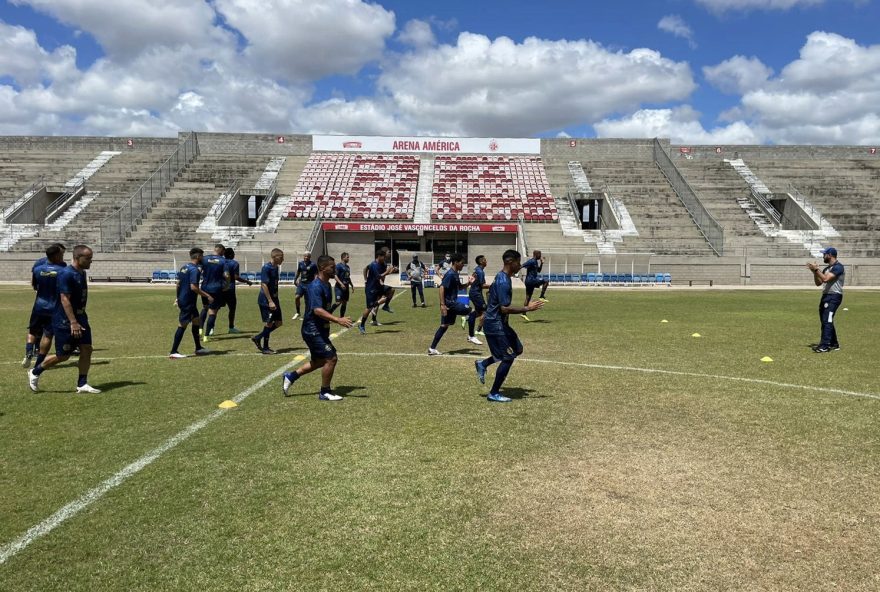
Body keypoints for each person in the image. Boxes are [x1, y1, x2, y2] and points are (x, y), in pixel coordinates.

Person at [27, 245, 101, 394]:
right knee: (63, 355)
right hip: (65, 320)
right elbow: (64, 299)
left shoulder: (82, 273)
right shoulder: (66, 274)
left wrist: (80, 318)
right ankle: (35, 372)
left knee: (87, 348)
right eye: (88, 258)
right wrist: (73, 322)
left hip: (81, 317)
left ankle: (82, 383)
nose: (91, 261)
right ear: (77, 257)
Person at [474, 249, 545, 402]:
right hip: (495, 325)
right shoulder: (503, 280)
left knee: (518, 349)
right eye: (518, 262)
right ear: (510, 262)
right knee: (508, 357)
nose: (520, 265)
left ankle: (483, 363)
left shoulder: (502, 277)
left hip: (501, 324)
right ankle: (493, 393)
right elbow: (504, 308)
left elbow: (491, 294)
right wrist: (527, 308)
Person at [282, 255, 354, 401]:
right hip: (312, 330)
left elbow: (323, 308)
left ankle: (291, 376)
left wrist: (333, 308)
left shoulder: (327, 285)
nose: (335, 270)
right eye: (332, 267)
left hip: (320, 329)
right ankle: (325, 392)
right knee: (331, 358)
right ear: (322, 268)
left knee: (320, 361)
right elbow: (317, 310)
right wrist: (337, 319)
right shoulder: (315, 286)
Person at [23, 244, 66, 369]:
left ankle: (29, 352)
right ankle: (39, 363)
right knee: (47, 335)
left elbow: (34, 285)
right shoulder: (62, 269)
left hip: (39, 305)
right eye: (62, 254)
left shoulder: (38, 269)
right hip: (54, 307)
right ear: (57, 255)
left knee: (32, 331)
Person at [169, 248, 212, 358]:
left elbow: (178, 284)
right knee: (182, 325)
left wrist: (178, 298)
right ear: (198, 257)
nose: (203, 258)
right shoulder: (194, 270)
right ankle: (173, 351)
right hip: (188, 301)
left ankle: (198, 348)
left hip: (186, 301)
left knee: (196, 322)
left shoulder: (184, 268)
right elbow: (194, 287)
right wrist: (207, 296)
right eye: (202, 256)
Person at [427, 253, 473, 355]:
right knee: (472, 311)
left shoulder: (455, 273)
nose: (463, 265)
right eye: (462, 263)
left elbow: (460, 287)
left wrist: (469, 283)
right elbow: (442, 287)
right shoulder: (450, 274)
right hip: (449, 304)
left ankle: (432, 348)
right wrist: (442, 305)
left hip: (451, 303)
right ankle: (471, 336)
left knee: (444, 325)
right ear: (456, 262)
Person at [807, 247, 845, 353]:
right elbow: (819, 283)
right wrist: (814, 272)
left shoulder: (838, 267)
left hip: (834, 297)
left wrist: (816, 269)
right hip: (826, 296)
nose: (823, 256)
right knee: (826, 320)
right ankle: (834, 343)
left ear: (830, 255)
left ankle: (825, 345)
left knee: (827, 320)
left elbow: (825, 279)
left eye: (824, 254)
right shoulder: (826, 269)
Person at [357, 248, 397, 334]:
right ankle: (362, 325)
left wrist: (391, 271)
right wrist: (365, 279)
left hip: (379, 286)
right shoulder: (373, 265)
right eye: (383, 256)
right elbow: (378, 276)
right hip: (371, 288)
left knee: (392, 290)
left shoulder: (383, 264)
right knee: (369, 307)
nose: (385, 258)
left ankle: (386, 306)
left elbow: (382, 277)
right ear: (379, 256)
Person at [252, 248, 284, 354]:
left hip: (275, 298)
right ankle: (265, 347)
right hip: (266, 300)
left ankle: (258, 337)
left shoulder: (275, 268)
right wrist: (270, 301)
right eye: (281, 257)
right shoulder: (266, 268)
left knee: (279, 323)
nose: (283, 259)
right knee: (269, 323)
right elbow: (264, 284)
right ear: (275, 257)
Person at [199, 244, 227, 341]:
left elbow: (198, 271)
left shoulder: (205, 259)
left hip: (204, 287)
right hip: (216, 289)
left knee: (205, 308)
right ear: (222, 251)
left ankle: (200, 330)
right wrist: (226, 286)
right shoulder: (223, 261)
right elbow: (227, 275)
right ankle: (206, 336)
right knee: (212, 312)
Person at [223, 247, 252, 334]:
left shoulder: (221, 262)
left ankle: (210, 329)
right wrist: (247, 281)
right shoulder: (234, 263)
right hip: (230, 288)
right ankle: (231, 327)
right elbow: (236, 277)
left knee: (214, 309)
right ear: (231, 255)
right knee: (232, 308)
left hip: (219, 288)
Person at [461, 254, 489, 344]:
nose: (486, 261)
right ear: (481, 262)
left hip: (474, 293)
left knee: (479, 312)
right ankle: (478, 330)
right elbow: (483, 285)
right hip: (476, 294)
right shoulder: (480, 272)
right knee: (485, 311)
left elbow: (472, 280)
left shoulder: (476, 269)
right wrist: (493, 285)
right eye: (485, 260)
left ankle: (466, 318)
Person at [520, 249, 549, 321]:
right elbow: (522, 265)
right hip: (531, 280)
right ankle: (541, 296)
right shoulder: (531, 261)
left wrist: (542, 263)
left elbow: (538, 270)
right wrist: (515, 271)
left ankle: (523, 313)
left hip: (530, 281)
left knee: (528, 297)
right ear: (536, 255)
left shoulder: (535, 262)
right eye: (540, 255)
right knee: (546, 281)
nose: (540, 256)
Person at [292, 251, 318, 321]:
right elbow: (298, 272)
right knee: (297, 297)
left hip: (309, 284)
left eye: (307, 256)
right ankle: (298, 312)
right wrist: (295, 280)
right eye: (305, 256)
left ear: (310, 257)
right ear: (303, 256)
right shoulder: (300, 263)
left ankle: (305, 315)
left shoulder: (313, 265)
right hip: (301, 284)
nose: (306, 257)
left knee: (307, 301)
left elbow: (316, 275)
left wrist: (315, 283)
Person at [329, 252, 355, 317]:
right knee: (338, 302)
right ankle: (328, 314)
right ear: (343, 258)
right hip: (339, 287)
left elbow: (348, 277)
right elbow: (335, 276)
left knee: (344, 303)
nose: (348, 258)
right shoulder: (338, 266)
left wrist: (351, 285)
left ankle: (342, 317)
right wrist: (341, 284)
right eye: (347, 257)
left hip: (346, 287)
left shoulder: (348, 267)